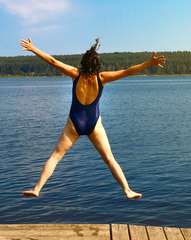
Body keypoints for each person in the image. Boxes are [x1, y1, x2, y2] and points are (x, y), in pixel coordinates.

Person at [20, 38, 165, 199]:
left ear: (83, 63)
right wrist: (149, 63)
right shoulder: (102, 78)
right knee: (109, 159)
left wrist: (34, 49)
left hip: (74, 124)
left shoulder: (75, 74)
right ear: (97, 65)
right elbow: (128, 71)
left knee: (56, 156)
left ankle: (37, 188)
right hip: (94, 124)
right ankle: (128, 190)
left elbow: (53, 61)